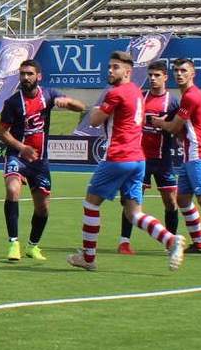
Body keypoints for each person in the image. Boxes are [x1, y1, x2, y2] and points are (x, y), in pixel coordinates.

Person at [66, 51, 186, 271]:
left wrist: (92, 107)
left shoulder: (116, 93)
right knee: (134, 213)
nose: (110, 71)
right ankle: (171, 240)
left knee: (91, 204)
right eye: (110, 67)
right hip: (138, 159)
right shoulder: (136, 92)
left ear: (128, 71)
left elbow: (93, 121)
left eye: (115, 67)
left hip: (117, 157)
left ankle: (89, 258)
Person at [0, 59, 86, 261]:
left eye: (29, 74)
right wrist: (22, 147)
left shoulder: (49, 95)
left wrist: (69, 103)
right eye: (22, 74)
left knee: (43, 207)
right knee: (12, 190)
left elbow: (81, 107)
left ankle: (32, 246)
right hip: (17, 156)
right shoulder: (12, 102)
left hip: (40, 161)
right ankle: (13, 244)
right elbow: (2, 132)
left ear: (39, 76)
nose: (25, 77)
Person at [151, 58, 201, 259]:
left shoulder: (191, 96)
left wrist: (158, 122)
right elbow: (180, 129)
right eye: (177, 70)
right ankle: (199, 243)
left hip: (199, 153)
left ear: (192, 74)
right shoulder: (187, 96)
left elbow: (173, 127)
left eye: (184, 70)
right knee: (182, 199)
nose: (179, 74)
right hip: (190, 154)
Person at [117, 61, 180, 255]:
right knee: (132, 201)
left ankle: (170, 242)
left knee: (170, 201)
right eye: (150, 75)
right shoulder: (140, 98)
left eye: (157, 75)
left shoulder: (173, 101)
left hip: (163, 159)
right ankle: (124, 242)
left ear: (165, 77)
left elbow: (179, 126)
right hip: (140, 159)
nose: (153, 79)